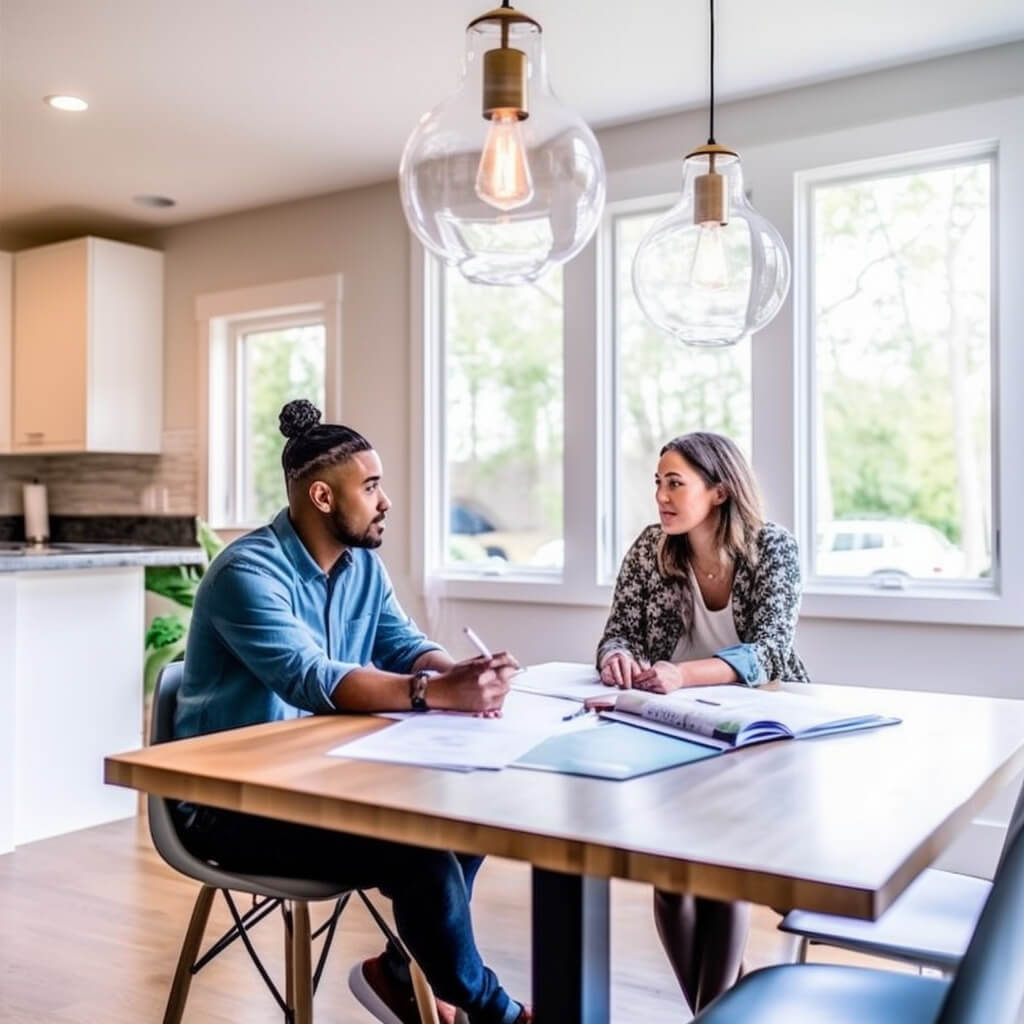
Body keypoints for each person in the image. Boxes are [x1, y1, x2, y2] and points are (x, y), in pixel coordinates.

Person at [174, 398, 530, 1024]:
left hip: (319, 779)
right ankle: (493, 1012)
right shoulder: (245, 573)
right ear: (321, 497)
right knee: (417, 852)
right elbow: (311, 678)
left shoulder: (362, 563)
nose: (385, 500)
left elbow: (403, 642)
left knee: (466, 810)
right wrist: (433, 695)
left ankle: (402, 971)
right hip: (231, 804)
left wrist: (456, 674)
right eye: (370, 486)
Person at [595, 430, 809, 1014]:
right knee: (671, 875)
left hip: (762, 731)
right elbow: (619, 630)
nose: (661, 496)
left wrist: (681, 675)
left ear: (717, 491)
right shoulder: (651, 549)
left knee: (723, 868)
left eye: (675, 483)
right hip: (674, 726)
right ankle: (713, 1013)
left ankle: (711, 1010)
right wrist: (617, 655)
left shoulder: (774, 548)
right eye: (658, 483)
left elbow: (769, 651)